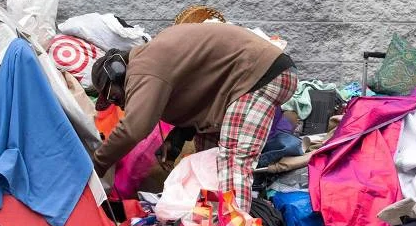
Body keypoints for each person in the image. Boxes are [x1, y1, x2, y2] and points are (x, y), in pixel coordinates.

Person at [91, 23, 296, 211]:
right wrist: (178, 137)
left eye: (113, 96)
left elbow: (134, 128)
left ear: (119, 72)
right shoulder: (152, 62)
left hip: (258, 75)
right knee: (207, 164)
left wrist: (96, 165)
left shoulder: (143, 67)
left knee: (233, 161)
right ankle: (213, 221)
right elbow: (198, 89)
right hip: (240, 83)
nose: (118, 103)